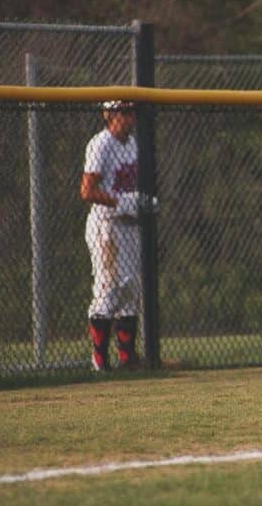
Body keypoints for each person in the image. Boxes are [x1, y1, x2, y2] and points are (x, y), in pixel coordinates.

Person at [80, 100, 157, 371]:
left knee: (130, 290)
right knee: (108, 289)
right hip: (107, 227)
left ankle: (127, 359)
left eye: (132, 111)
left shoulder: (133, 144)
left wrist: (141, 201)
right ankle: (100, 360)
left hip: (130, 226)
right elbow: (87, 191)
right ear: (109, 115)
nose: (130, 117)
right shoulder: (101, 144)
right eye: (124, 112)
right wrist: (119, 202)